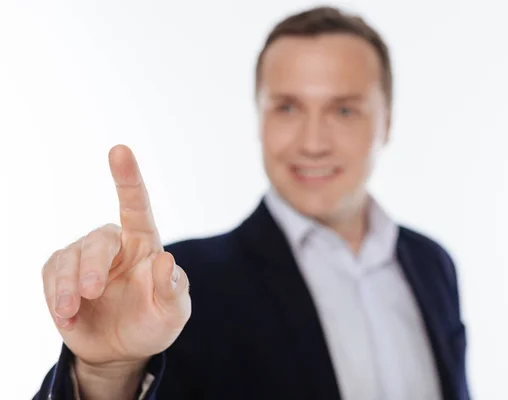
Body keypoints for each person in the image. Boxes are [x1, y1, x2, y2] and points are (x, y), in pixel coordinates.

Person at [34, 6, 470, 400]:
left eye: (343, 111)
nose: (313, 143)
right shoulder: (175, 285)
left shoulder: (432, 265)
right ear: (259, 117)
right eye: (287, 108)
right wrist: (105, 374)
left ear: (387, 121)